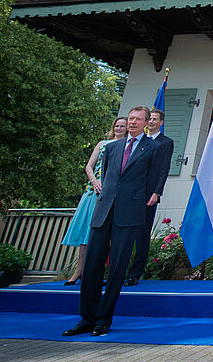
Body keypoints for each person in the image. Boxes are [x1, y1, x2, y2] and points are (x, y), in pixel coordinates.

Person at [61, 106, 171, 337]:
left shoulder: (153, 147)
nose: (132, 122)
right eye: (130, 118)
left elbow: (154, 177)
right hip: (104, 210)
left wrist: (149, 197)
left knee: (117, 268)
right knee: (92, 265)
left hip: (129, 212)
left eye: (138, 119)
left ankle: (103, 319)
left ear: (146, 123)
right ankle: (87, 318)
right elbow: (108, 176)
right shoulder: (112, 147)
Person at [61, 117, 126, 285]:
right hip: (94, 190)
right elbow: (89, 166)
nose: (119, 128)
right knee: (86, 231)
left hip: (112, 192)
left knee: (104, 234)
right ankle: (79, 271)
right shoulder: (102, 144)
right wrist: (94, 181)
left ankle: (99, 272)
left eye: (122, 126)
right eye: (117, 126)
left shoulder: (127, 146)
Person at [126, 107, 174, 285]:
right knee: (125, 233)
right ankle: (119, 271)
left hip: (148, 194)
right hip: (130, 192)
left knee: (142, 233)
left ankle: (135, 273)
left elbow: (164, 168)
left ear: (161, 122)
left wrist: (157, 191)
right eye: (150, 119)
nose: (152, 121)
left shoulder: (165, 142)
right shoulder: (137, 141)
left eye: (155, 119)